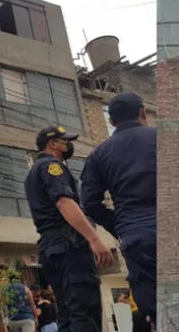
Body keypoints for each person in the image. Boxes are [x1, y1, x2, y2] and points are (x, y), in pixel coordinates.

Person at [25, 125, 113, 332]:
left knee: (67, 313)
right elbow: (65, 203)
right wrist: (94, 239)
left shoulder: (33, 172)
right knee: (84, 310)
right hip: (69, 246)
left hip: (51, 247)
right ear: (53, 144)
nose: (69, 145)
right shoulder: (52, 166)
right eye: (65, 141)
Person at [80, 92, 157, 330]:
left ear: (112, 121)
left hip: (136, 237)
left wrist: (121, 225)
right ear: (143, 113)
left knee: (155, 305)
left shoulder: (98, 155)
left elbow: (90, 203)